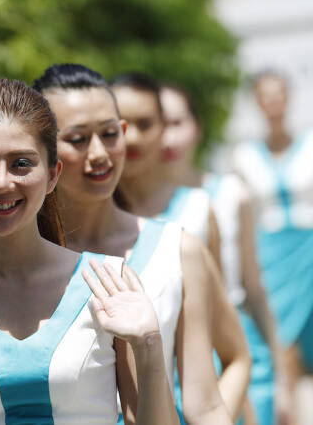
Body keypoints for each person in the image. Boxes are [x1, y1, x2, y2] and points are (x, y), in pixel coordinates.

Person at [0, 78, 178, 424]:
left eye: (22, 163)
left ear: (53, 174)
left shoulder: (109, 283)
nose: (1, 182)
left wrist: (149, 346)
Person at [32, 63, 233, 424]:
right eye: (77, 139)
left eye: (109, 134)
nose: (99, 154)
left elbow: (205, 405)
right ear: (40, 149)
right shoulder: (20, 259)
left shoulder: (178, 250)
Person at [109, 72, 252, 421]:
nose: (134, 137)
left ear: (164, 130)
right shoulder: (85, 224)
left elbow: (224, 329)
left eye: (146, 123)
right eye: (120, 126)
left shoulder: (198, 211)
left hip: (195, 398)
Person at [160, 82, 290, 424]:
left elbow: (255, 289)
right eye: (153, 124)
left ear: (197, 126)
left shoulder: (231, 193)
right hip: (167, 363)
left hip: (239, 350)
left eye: (176, 123)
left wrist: (285, 382)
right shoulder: (124, 209)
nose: (166, 137)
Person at [232, 71, 313, 405]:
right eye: (266, 96)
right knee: (281, 335)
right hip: (271, 254)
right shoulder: (244, 156)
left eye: (279, 94)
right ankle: (287, 408)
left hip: (309, 248)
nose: (274, 103)